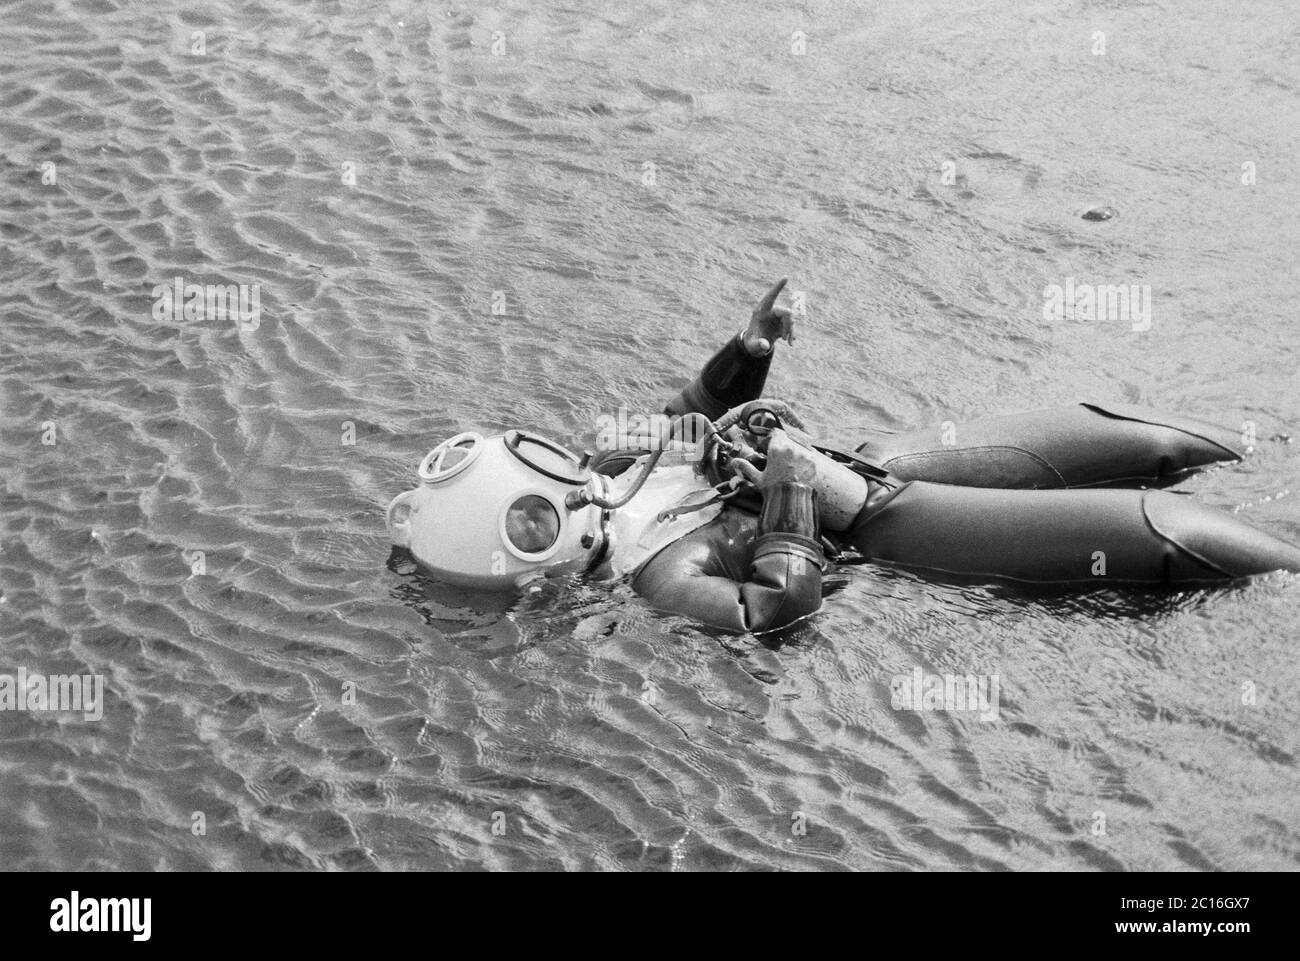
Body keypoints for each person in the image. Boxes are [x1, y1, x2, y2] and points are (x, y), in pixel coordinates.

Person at [388, 281, 1300, 633]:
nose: (568, 478)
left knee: (1137, 439)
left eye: (546, 463)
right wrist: (787, 500)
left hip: (860, 464)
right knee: (1162, 532)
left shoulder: (604, 473)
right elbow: (771, 608)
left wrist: (746, 351)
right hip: (880, 524)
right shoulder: (656, 574)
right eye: (544, 502)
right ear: (538, 549)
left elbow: (691, 413)